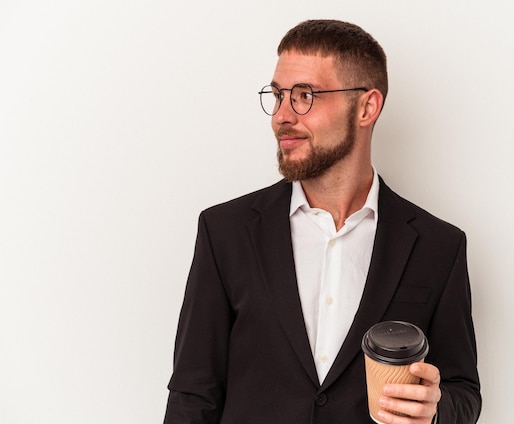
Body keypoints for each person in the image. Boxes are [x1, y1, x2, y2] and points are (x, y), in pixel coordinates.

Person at [164, 19, 481, 424]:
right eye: (278, 96)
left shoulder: (438, 245)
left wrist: (435, 411)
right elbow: (193, 394)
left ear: (367, 107)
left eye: (305, 96)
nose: (281, 116)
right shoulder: (225, 231)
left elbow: (463, 392)